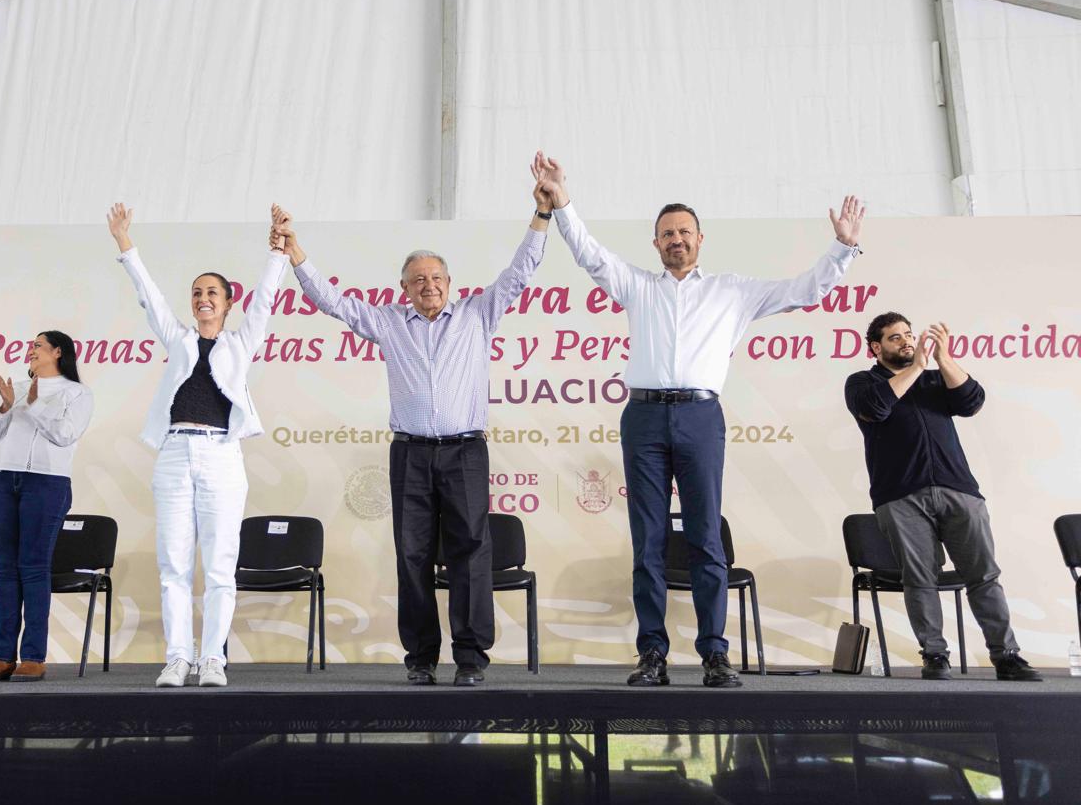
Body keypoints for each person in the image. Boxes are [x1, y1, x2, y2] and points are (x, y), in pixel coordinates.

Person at [533, 151, 864, 688]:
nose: (676, 240)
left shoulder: (731, 291)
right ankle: (653, 655)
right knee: (648, 540)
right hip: (642, 418)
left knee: (706, 538)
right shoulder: (637, 286)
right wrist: (562, 199)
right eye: (667, 234)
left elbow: (804, 291)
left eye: (685, 232)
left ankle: (714, 655)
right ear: (656, 243)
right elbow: (589, 254)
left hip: (700, 417)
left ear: (700, 239)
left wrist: (843, 247)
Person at [269, 185, 550, 688]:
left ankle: (470, 658)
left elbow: (519, 272)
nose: (428, 285)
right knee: (413, 554)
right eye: (418, 279)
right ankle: (420, 657)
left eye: (436, 277)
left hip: (465, 451)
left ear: (450, 283)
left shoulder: (477, 316)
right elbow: (331, 301)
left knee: (470, 551)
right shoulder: (388, 323)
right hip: (411, 455)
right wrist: (296, 254)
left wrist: (542, 214)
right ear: (403, 287)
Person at [108, 202, 288, 688]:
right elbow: (149, 298)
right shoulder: (179, 339)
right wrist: (126, 243)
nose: (202, 298)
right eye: (196, 293)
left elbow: (267, 301)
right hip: (173, 454)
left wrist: (277, 252)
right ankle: (177, 657)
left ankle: (213, 659)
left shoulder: (239, 344)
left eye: (212, 293)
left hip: (221, 456)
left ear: (228, 303)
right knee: (173, 562)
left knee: (219, 566)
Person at [844, 313, 1040, 681]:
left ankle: (1007, 656)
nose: (905, 341)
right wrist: (916, 365)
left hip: (959, 491)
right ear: (875, 347)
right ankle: (935, 655)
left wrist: (943, 359)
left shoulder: (936, 378)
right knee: (920, 577)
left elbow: (971, 401)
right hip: (900, 496)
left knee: (984, 575)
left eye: (908, 334)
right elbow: (876, 408)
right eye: (894, 337)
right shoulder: (862, 383)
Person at [0, 331, 93, 682]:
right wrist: (7, 406)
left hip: (46, 482)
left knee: (35, 568)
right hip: (1, 479)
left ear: (58, 352)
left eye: (38, 345)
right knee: (6, 569)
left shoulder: (78, 393)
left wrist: (33, 406)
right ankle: (2, 655)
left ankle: (33, 656)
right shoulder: (19, 390)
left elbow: (65, 434)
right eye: (31, 346)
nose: (31, 350)